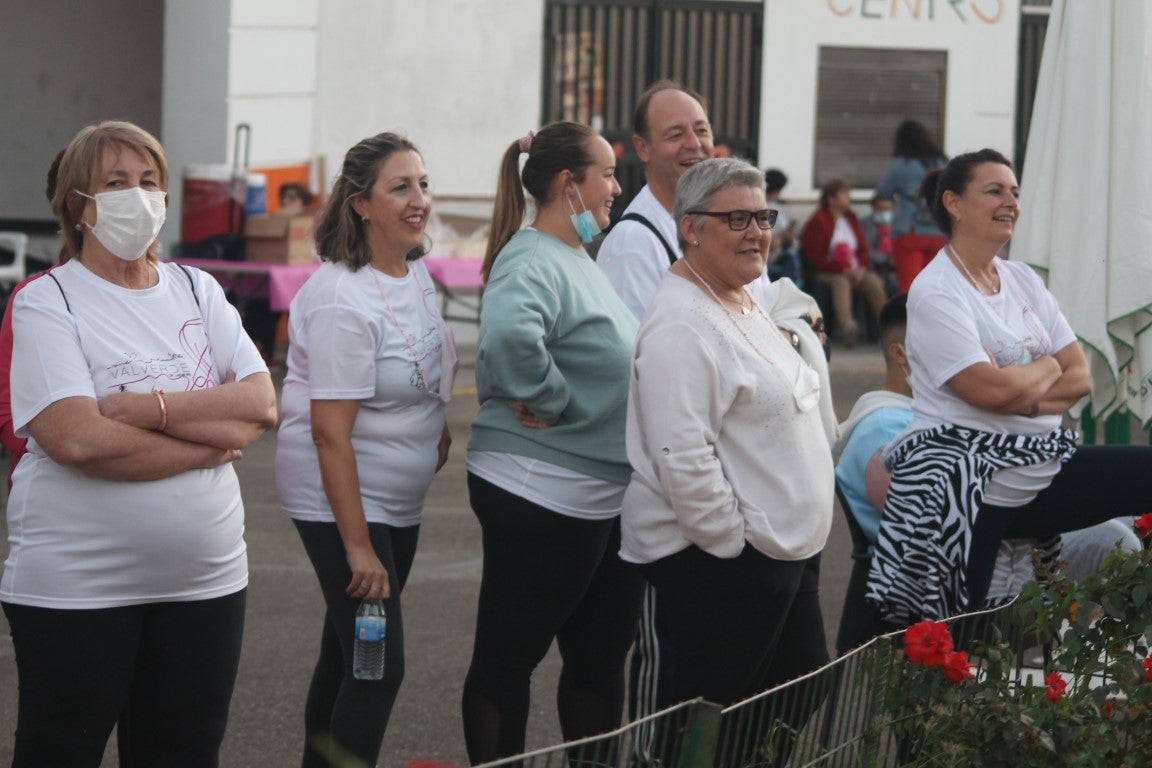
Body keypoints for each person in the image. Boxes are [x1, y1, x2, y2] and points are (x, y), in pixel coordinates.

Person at [0, 120, 278, 766]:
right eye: (116, 182)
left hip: (205, 581)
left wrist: (151, 409)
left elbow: (260, 404)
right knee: (60, 751)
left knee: (184, 752)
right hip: (79, 583)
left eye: (149, 181)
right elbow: (77, 439)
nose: (139, 196)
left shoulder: (197, 288)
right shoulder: (49, 301)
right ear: (79, 204)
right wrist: (207, 447)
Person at [866, 148, 1152, 627]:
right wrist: (1046, 366)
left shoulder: (1022, 279)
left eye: (1015, 192)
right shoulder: (937, 290)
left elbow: (1079, 376)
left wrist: (1024, 390)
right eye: (995, 191)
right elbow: (990, 392)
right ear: (954, 203)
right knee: (953, 636)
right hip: (969, 482)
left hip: (1041, 460)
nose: (1010, 202)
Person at [620, 157, 833, 711]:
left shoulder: (738, 294)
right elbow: (682, 453)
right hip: (731, 562)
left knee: (796, 693)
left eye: (763, 217)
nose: (757, 232)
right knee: (714, 719)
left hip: (780, 549)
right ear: (690, 228)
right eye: (737, 219)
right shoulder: (681, 324)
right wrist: (732, 546)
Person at [462, 121, 645, 764]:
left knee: (598, 660)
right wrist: (553, 399)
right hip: (541, 489)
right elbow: (510, 337)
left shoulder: (575, 257)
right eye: (608, 174)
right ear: (569, 183)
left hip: (598, 493)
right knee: (507, 662)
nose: (616, 189)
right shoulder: (531, 255)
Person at [275, 132, 457, 768]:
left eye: (423, 184)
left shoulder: (412, 270)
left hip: (395, 499)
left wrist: (434, 425)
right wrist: (356, 547)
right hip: (346, 502)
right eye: (400, 187)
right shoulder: (340, 298)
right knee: (378, 666)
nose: (419, 200)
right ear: (360, 204)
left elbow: (419, 358)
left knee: (347, 654)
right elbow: (329, 431)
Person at [833, 293, 1139, 654]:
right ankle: (1104, 657)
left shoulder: (928, 413)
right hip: (955, 568)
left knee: (1128, 521)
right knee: (1114, 538)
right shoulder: (883, 426)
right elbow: (941, 516)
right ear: (902, 355)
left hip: (1000, 545)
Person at [597, 80, 713, 319]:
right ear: (642, 148)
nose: (694, 144)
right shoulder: (632, 245)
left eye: (701, 131)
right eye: (676, 135)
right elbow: (637, 341)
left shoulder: (725, 223)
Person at [800, 178, 887, 346]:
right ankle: (847, 327)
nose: (849, 198)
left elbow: (862, 248)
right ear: (831, 199)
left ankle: (887, 326)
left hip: (854, 270)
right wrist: (841, 269)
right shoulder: (819, 220)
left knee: (873, 281)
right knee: (841, 282)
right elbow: (814, 256)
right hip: (826, 272)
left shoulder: (851, 218)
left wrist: (861, 268)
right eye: (844, 194)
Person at [874, 119, 948, 293]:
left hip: (909, 232)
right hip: (939, 232)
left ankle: (909, 312)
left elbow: (883, 192)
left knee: (910, 288)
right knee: (935, 288)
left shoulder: (902, 165)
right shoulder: (943, 162)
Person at [764, 167, 802, 286]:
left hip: (779, 248)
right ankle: (795, 286)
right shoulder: (764, 207)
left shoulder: (776, 205)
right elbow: (767, 231)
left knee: (791, 253)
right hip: (770, 251)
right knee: (791, 255)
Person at [861, 195, 898, 295]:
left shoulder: (899, 226)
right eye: (880, 209)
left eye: (887, 209)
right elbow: (866, 249)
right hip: (874, 270)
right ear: (873, 209)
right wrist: (887, 259)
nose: (884, 212)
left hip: (896, 271)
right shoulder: (865, 225)